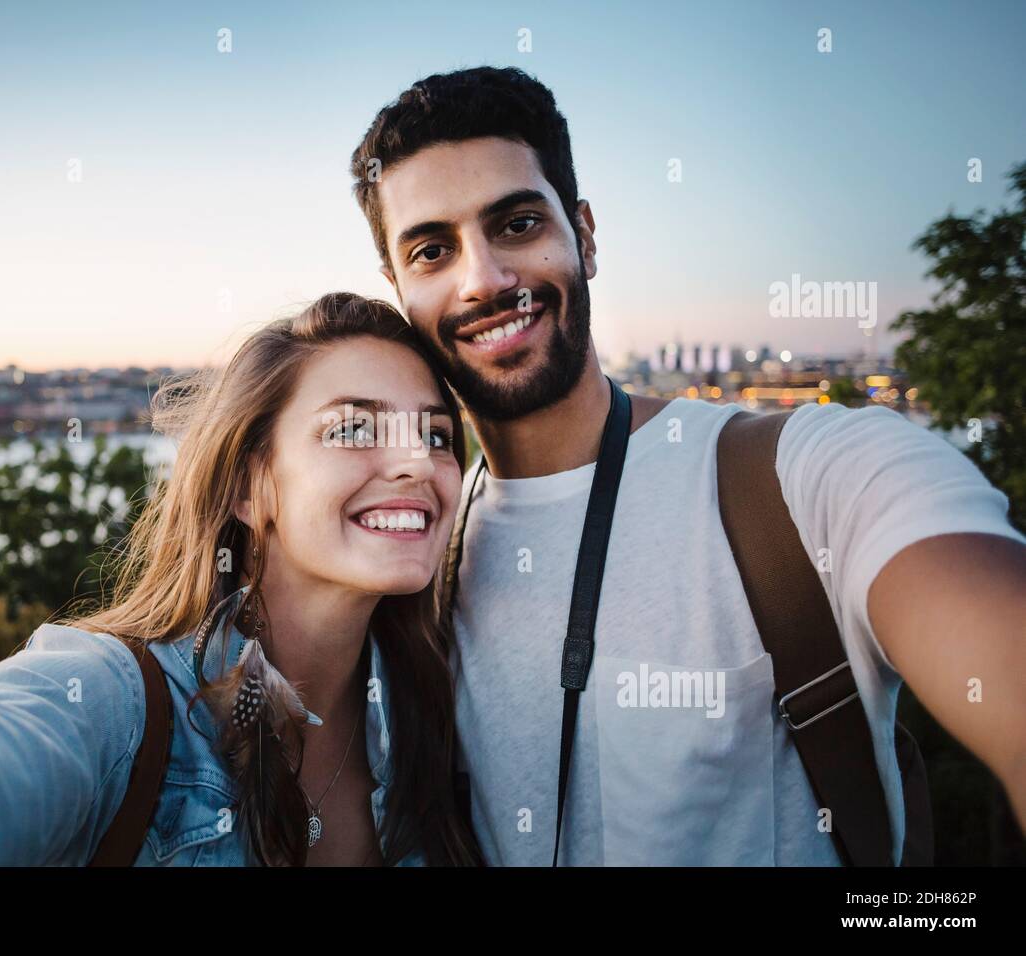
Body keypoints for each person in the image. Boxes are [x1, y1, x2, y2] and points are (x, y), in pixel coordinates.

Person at [347, 66, 1026, 865]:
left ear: (585, 235)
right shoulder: (418, 547)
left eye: (519, 224)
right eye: (433, 250)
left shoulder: (795, 478)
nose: (484, 280)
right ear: (398, 288)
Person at [0, 292, 483, 867]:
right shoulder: (112, 704)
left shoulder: (443, 710)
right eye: (353, 428)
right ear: (248, 487)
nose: (417, 461)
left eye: (437, 434)